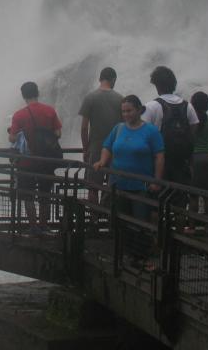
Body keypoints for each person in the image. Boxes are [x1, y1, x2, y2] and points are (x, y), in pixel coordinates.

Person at [94, 94, 165, 268]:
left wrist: (157, 180)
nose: (126, 114)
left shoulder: (150, 131)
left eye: (129, 111)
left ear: (139, 110)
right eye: (123, 111)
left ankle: (141, 257)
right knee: (120, 220)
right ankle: (124, 255)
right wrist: (102, 161)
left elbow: (159, 156)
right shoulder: (118, 128)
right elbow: (107, 146)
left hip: (140, 185)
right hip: (118, 184)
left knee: (140, 221)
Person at [8, 81, 62, 233]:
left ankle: (33, 227)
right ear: (37, 92)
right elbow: (58, 133)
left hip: (26, 162)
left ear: (23, 95)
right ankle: (44, 226)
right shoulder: (50, 111)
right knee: (45, 194)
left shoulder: (19, 115)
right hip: (46, 161)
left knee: (28, 195)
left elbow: (12, 139)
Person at [141, 66, 198, 187]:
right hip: (182, 162)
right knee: (180, 199)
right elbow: (193, 130)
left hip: (158, 164)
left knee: (157, 199)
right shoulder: (188, 106)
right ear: (174, 84)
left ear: (156, 85)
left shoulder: (151, 106)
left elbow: (142, 134)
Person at [79, 66, 123, 204]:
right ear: (114, 79)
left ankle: (94, 219)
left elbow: (84, 127)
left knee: (93, 187)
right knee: (112, 186)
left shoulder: (90, 97)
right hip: (115, 150)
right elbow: (124, 126)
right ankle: (108, 217)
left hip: (95, 149)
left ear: (100, 79)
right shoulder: (121, 99)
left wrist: (85, 148)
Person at [188, 91, 208, 229]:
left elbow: (188, 141)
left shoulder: (190, 121)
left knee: (193, 196)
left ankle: (192, 227)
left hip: (194, 159)